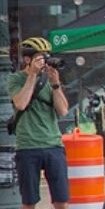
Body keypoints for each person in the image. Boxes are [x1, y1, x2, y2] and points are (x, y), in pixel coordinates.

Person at [8, 37, 70, 209]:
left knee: (61, 201)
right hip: (27, 146)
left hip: (53, 145)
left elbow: (63, 111)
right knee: (29, 202)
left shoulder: (49, 79)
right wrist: (33, 76)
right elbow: (21, 104)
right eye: (40, 57)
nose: (44, 61)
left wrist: (56, 84)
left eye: (46, 56)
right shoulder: (15, 79)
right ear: (28, 59)